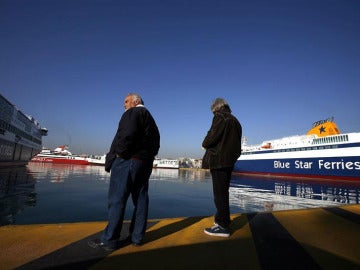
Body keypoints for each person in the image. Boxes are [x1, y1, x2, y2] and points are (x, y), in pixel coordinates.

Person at [89, 93, 160, 250]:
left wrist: (118, 154)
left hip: (128, 161)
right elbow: (156, 144)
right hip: (145, 163)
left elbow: (126, 135)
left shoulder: (133, 113)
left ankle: (109, 240)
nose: (124, 104)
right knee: (141, 199)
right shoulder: (151, 120)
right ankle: (137, 237)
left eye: (126, 101)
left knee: (117, 199)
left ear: (136, 101)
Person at [201, 98, 242, 237]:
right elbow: (237, 147)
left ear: (216, 108)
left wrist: (204, 143)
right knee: (224, 193)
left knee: (219, 194)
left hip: (218, 161)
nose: (213, 114)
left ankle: (222, 226)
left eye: (213, 111)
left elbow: (211, 138)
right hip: (229, 162)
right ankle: (224, 221)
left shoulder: (220, 117)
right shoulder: (236, 121)